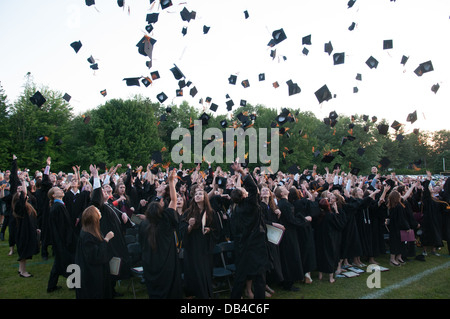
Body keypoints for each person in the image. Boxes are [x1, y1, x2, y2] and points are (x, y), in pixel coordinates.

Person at [138, 168, 183, 299]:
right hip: (166, 264)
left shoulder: (144, 225)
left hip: (150, 265)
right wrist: (171, 183)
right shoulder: (165, 221)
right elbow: (174, 201)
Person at [89, 164, 131, 297]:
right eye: (103, 191)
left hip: (117, 238)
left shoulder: (108, 205)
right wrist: (96, 176)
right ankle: (108, 291)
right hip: (109, 240)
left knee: (116, 266)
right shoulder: (100, 206)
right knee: (110, 266)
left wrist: (122, 216)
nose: (106, 192)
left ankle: (112, 289)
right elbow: (96, 197)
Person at [229, 161, 268, 299]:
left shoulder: (236, 210)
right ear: (244, 196)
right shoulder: (250, 204)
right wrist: (241, 172)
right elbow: (253, 188)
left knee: (241, 275)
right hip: (256, 243)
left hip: (242, 244)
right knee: (259, 276)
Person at [180, 183, 220, 299]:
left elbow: (217, 230)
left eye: (200, 194)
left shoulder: (211, 213)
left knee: (204, 271)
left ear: (205, 197)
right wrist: (190, 227)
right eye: (196, 194)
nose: (197, 196)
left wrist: (209, 230)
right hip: (192, 247)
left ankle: (204, 294)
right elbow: (182, 230)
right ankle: (192, 294)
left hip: (204, 246)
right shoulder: (188, 212)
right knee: (193, 272)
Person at [75, 205, 114, 299]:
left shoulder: (91, 231)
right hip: (92, 273)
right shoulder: (87, 236)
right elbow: (95, 256)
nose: (100, 212)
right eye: (98, 212)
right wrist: (106, 240)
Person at [47, 184, 78, 292]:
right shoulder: (58, 207)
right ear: (54, 195)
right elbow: (63, 227)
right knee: (73, 261)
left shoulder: (59, 206)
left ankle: (51, 286)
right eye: (58, 190)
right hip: (65, 240)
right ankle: (74, 284)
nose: (61, 190)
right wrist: (69, 239)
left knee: (58, 263)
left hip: (61, 240)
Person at [274, 185, 306, 291]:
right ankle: (288, 283)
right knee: (290, 257)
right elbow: (291, 220)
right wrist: (304, 220)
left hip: (287, 233)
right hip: (288, 234)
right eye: (283, 188)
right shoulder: (285, 204)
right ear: (282, 193)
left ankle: (286, 281)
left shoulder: (283, 203)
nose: (286, 188)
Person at [312, 198, 346, 283]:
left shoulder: (318, 215)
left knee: (321, 255)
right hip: (329, 238)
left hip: (319, 238)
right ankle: (331, 277)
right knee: (330, 255)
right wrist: (337, 211)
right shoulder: (330, 215)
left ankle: (320, 275)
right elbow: (340, 225)